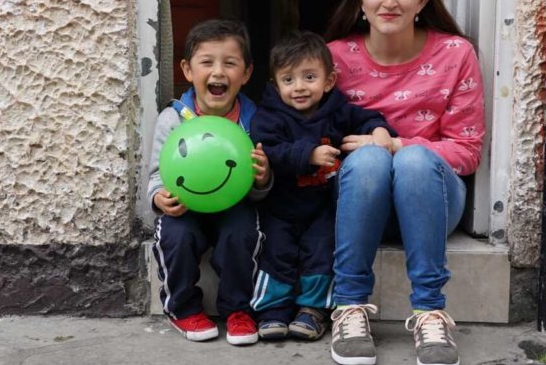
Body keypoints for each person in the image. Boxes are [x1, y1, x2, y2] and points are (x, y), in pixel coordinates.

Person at [323, 0, 485, 365]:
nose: (389, 1)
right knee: (370, 160)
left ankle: (431, 312)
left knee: (411, 159)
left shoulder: (455, 54)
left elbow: (467, 151)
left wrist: (398, 145)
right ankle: (349, 306)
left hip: (430, 200)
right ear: (360, 0)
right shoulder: (335, 58)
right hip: (359, 202)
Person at [248, 31, 394, 342]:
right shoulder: (269, 116)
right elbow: (269, 150)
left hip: (322, 207)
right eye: (288, 79)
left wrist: (380, 131)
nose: (299, 87)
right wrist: (309, 155)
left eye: (309, 77)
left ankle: (313, 310)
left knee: (322, 254)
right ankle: (273, 310)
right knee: (276, 254)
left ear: (329, 81)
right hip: (280, 206)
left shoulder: (338, 111)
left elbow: (367, 118)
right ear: (275, 84)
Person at [146, 19, 271, 345]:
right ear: (187, 70)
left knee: (243, 233)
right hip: (185, 206)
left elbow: (258, 186)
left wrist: (262, 179)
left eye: (230, 63)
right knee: (175, 235)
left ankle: (239, 309)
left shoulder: (255, 121)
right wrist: (159, 197)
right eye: (207, 62)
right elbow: (157, 174)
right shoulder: (173, 118)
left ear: (246, 73)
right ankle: (182, 308)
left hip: (235, 206)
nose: (218, 72)